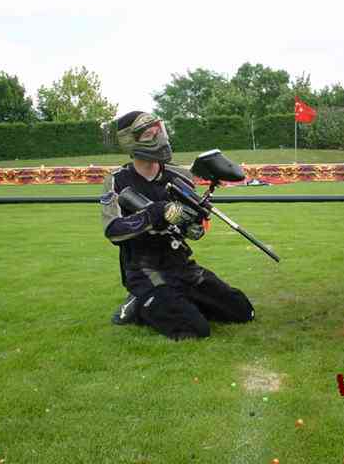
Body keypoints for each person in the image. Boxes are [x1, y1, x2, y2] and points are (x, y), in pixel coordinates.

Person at [100, 111, 255, 340]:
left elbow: (193, 226)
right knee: (195, 329)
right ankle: (140, 303)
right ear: (130, 141)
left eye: (159, 132)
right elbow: (113, 230)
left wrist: (193, 224)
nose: (160, 139)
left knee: (243, 311)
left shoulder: (180, 176)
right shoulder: (117, 180)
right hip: (145, 270)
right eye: (149, 135)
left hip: (181, 265)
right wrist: (155, 214)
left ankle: (174, 300)